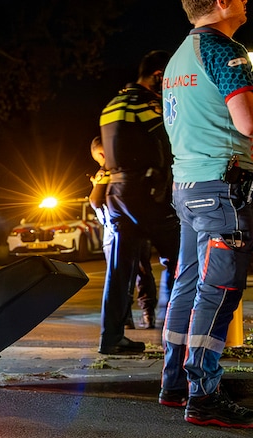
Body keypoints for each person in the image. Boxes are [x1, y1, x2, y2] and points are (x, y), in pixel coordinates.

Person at [160, 0, 253, 427]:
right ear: (221, 2)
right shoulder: (223, 49)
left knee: (189, 282)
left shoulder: (179, 56)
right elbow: (248, 122)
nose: (246, 1)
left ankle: (175, 383)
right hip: (223, 186)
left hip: (188, 186)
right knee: (219, 291)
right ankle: (205, 395)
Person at [98, 51, 181, 354]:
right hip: (145, 193)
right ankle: (176, 330)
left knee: (119, 271)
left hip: (116, 194)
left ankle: (111, 338)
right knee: (181, 257)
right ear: (159, 76)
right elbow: (169, 140)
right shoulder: (146, 104)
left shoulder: (111, 104)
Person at [89, 137, 158, 330]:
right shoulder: (130, 167)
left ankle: (125, 319)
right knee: (144, 271)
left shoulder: (104, 171)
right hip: (139, 225)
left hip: (116, 230)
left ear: (100, 154)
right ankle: (148, 314)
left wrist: (96, 186)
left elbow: (95, 201)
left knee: (120, 274)